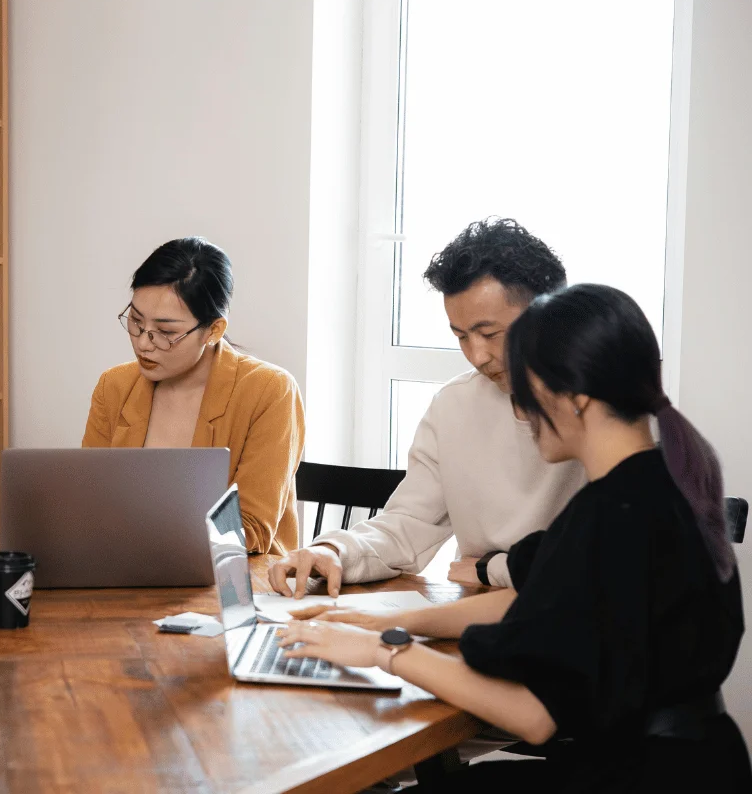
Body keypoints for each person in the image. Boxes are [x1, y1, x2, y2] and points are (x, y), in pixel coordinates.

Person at [281, 284, 752, 792]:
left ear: (576, 395)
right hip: (701, 763)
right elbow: (534, 602)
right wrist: (394, 621)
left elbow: (533, 717)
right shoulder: (662, 482)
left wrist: (383, 649)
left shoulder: (610, 516)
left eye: (526, 393)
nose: (521, 413)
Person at [269, 217, 586, 594]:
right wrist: (335, 550)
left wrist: (490, 568)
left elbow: (604, 559)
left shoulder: (600, 408)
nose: (477, 356)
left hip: (567, 613)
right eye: (461, 336)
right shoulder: (455, 405)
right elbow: (408, 524)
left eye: (489, 334)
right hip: (476, 610)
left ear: (548, 316)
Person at [83, 236, 305, 554]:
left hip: (234, 584)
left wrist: (134, 527)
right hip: (128, 568)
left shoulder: (269, 391)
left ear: (213, 330)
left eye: (166, 332)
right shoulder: (114, 386)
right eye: (135, 321)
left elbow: (251, 529)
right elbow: (88, 500)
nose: (144, 343)